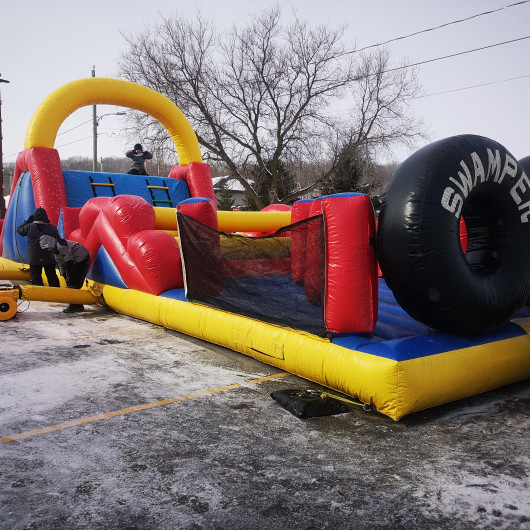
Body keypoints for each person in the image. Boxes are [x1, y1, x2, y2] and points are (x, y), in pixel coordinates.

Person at [39, 235, 92, 313]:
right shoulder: (54, 249)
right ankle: (78, 304)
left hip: (82, 259)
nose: (47, 250)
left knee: (75, 283)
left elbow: (69, 262)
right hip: (73, 260)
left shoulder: (61, 246)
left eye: (47, 248)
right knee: (71, 282)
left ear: (50, 244)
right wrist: (63, 273)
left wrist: (69, 276)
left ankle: (75, 305)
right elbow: (60, 262)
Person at [16, 207, 63, 287]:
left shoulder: (30, 226)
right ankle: (56, 294)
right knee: (51, 275)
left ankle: (39, 296)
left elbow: (19, 230)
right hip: (49, 255)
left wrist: (28, 221)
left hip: (34, 256)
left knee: (36, 276)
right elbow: (58, 241)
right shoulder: (52, 228)